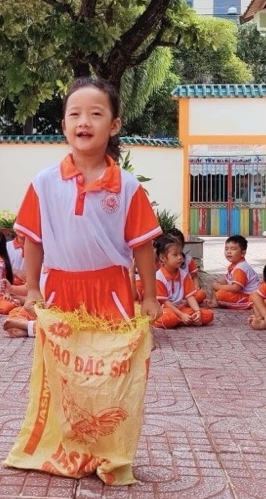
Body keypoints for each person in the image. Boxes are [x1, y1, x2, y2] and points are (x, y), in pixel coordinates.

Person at [12, 76, 162, 326]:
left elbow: (142, 246)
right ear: (63, 125)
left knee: (112, 361)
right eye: (75, 114)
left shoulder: (128, 186)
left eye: (95, 114)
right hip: (58, 290)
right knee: (61, 361)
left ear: (114, 125)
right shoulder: (43, 183)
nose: (84, 122)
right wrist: (32, 288)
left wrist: (150, 296)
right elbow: (33, 240)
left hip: (111, 291)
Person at [152, 235, 213, 329]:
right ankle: (179, 319)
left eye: (180, 254)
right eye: (175, 255)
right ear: (163, 258)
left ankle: (181, 320)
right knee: (169, 319)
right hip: (165, 309)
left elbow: (190, 296)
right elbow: (165, 302)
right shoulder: (159, 277)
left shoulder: (183, 274)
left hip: (180, 308)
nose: (180, 257)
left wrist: (197, 311)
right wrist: (181, 315)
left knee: (208, 315)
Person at [206, 234, 260, 309]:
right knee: (217, 285)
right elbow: (225, 279)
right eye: (226, 249)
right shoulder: (233, 266)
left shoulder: (240, 269)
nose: (228, 252)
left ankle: (249, 304)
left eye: (233, 249)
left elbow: (235, 288)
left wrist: (219, 287)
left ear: (243, 253)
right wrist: (217, 284)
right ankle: (215, 302)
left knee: (220, 295)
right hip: (241, 293)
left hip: (248, 296)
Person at [166, 227, 207, 306]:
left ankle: (184, 303)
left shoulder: (188, 260)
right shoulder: (164, 261)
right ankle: (179, 304)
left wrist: (196, 288)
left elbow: (194, 277)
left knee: (201, 294)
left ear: (183, 245)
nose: (175, 246)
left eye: (178, 243)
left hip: (187, 293)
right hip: (170, 294)